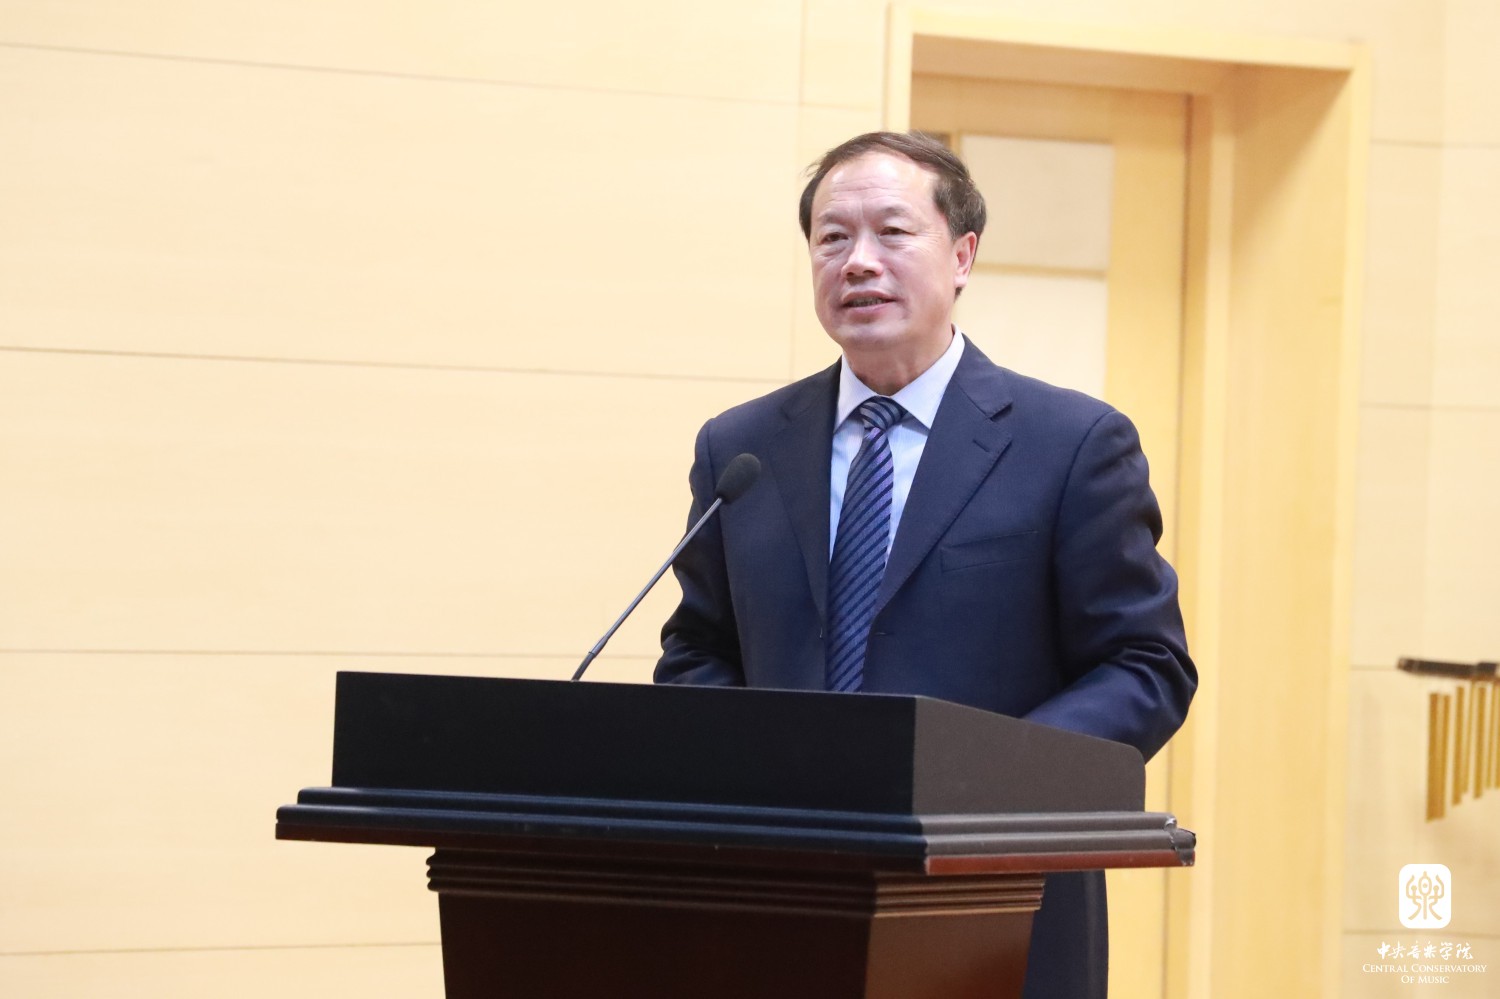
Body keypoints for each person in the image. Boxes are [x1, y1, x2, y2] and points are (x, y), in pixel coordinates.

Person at [655, 131, 1196, 998]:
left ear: (962, 256)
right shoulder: (742, 449)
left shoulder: (1070, 444)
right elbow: (697, 651)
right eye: (833, 238)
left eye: (892, 232)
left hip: (999, 896)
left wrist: (988, 774)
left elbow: (1146, 664)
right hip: (778, 895)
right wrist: (763, 762)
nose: (858, 261)